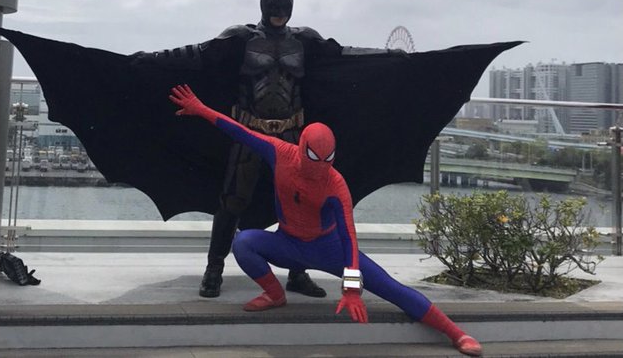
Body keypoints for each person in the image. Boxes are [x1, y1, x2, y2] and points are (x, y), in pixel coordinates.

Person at [169, 84, 483, 356]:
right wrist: (200, 109)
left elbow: (349, 238)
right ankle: (275, 295)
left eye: (327, 160)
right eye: (314, 158)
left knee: (391, 288)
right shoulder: (280, 152)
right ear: (301, 148)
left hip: (329, 249)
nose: (320, 166)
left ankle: (456, 333)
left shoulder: (335, 185)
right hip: (288, 243)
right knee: (244, 242)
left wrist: (351, 288)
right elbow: (240, 131)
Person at [134, 0, 341, 298]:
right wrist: (151, 60)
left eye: (284, 6)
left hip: (291, 135)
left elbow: (344, 56)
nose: (278, 12)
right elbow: (197, 54)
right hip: (249, 133)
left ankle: (297, 272)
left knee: (300, 202)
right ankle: (214, 267)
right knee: (232, 200)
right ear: (262, 4)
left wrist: (392, 58)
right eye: (273, 5)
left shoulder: (304, 41)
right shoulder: (241, 38)